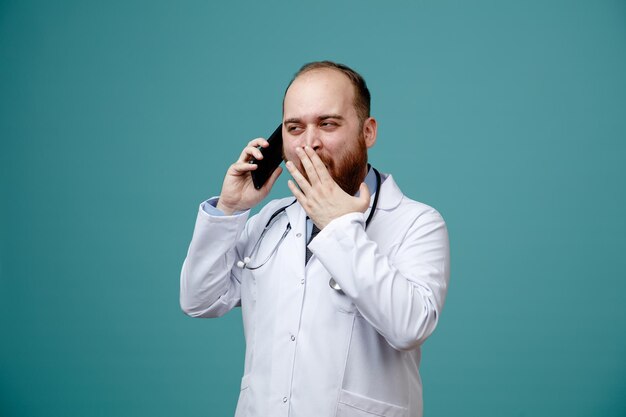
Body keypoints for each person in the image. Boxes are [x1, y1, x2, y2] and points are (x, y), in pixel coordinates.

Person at [180, 61, 450, 417]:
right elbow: (200, 300)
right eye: (294, 128)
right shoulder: (269, 220)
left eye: (328, 123)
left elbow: (410, 326)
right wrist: (230, 209)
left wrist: (338, 226)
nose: (310, 142)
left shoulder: (417, 222)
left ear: (367, 132)